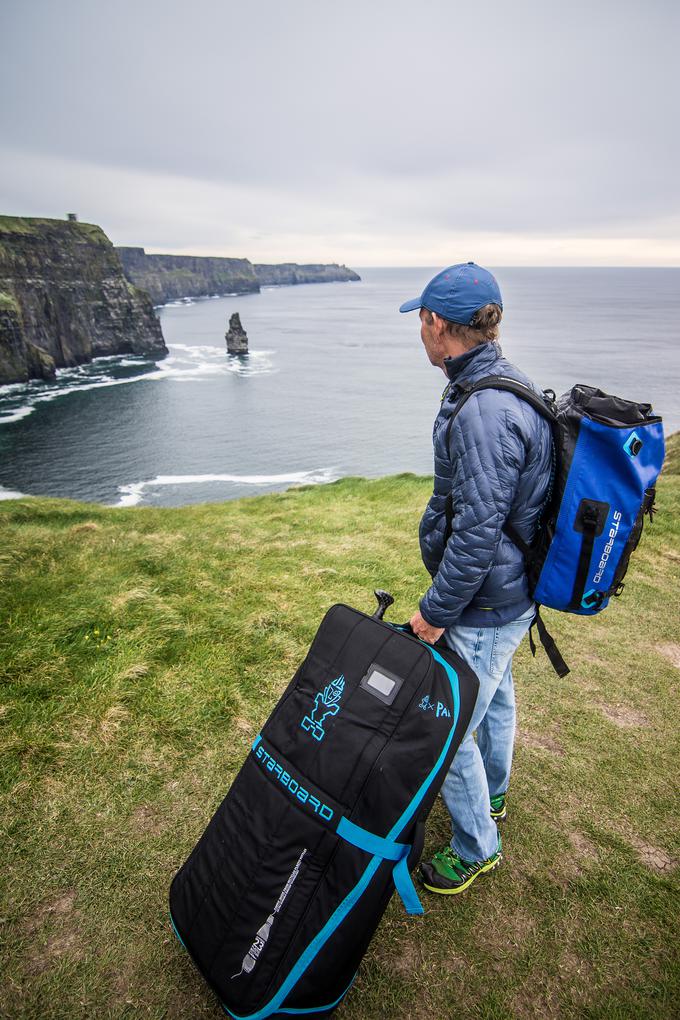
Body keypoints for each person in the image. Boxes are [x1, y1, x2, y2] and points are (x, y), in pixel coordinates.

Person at [400, 262, 552, 895]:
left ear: (439, 324)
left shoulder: (483, 411)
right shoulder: (494, 379)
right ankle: (494, 798)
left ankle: (475, 846)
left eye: (421, 319)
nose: (419, 330)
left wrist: (433, 614)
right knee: (497, 696)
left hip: (487, 599)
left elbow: (475, 539)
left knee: (450, 721)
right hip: (511, 594)